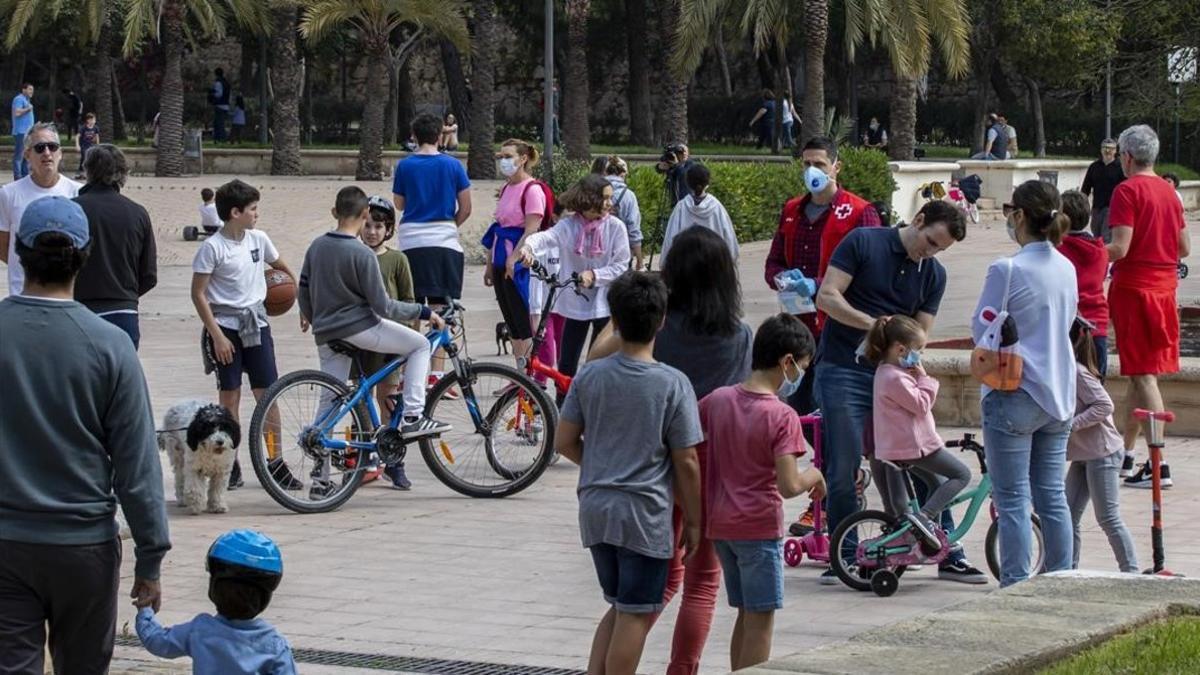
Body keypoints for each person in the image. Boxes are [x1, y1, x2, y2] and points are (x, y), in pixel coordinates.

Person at [0, 196, 171, 673]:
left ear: (18, 251)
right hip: (84, 549)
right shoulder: (110, 346)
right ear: (85, 255)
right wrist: (150, 557)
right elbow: (137, 466)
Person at [586, 227, 752, 674]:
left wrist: (626, 304)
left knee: (648, 590)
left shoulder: (660, 325)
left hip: (653, 468)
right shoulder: (738, 335)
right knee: (701, 583)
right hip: (710, 468)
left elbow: (596, 357)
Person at [815, 200, 982, 584]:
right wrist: (877, 327)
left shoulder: (932, 274)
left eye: (940, 249)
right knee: (843, 466)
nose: (931, 252)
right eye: (930, 241)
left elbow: (920, 336)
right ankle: (845, 553)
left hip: (895, 380)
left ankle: (942, 548)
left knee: (918, 455)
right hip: (844, 369)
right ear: (918, 220)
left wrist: (906, 358)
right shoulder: (863, 242)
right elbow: (827, 297)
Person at [555, 271, 703, 675]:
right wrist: (693, 520)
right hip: (645, 514)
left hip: (596, 509)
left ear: (614, 322)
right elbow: (686, 460)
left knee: (621, 605)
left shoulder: (590, 376)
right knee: (636, 614)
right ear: (662, 321)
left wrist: (602, 465)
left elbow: (564, 441)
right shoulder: (673, 384)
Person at [299, 186, 450, 498]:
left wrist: (315, 318)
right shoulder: (362, 254)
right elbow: (383, 306)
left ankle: (320, 479)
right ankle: (412, 416)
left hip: (326, 334)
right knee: (420, 345)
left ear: (333, 212)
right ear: (364, 214)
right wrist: (423, 311)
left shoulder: (316, 246)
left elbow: (303, 288)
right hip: (360, 328)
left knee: (330, 400)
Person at [703, 313, 826, 670]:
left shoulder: (718, 400)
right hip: (757, 527)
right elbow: (789, 486)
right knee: (762, 618)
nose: (799, 376)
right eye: (802, 366)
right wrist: (815, 474)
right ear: (787, 362)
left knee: (746, 613)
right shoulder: (781, 415)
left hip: (720, 525)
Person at [974, 179, 1077, 587]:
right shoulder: (1065, 266)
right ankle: (1062, 579)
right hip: (1058, 395)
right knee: (1052, 497)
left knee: (1013, 499)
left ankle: (1015, 586)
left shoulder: (1008, 268)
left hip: (1014, 392)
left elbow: (980, 327)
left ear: (1019, 216)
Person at [192, 179, 301, 491]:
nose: (257, 214)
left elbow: (282, 269)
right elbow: (198, 294)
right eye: (253, 209)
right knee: (230, 396)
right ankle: (230, 463)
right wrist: (217, 336)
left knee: (268, 394)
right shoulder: (212, 248)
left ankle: (276, 462)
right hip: (225, 325)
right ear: (235, 212)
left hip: (257, 323)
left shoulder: (258, 239)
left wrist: (298, 298)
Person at [765, 136, 881, 418]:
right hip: (798, 327)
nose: (811, 170)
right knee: (800, 407)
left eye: (819, 163)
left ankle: (839, 461)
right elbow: (773, 263)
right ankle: (825, 459)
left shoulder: (859, 212)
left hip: (839, 328)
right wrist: (783, 279)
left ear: (836, 167)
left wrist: (817, 285)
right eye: (806, 164)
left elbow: (872, 275)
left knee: (836, 409)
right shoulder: (792, 210)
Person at [1106, 124, 1189, 489]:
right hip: (1164, 290)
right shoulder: (1170, 193)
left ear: (1126, 156)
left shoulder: (1127, 190)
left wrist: (1083, 250)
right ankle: (1126, 456)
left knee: (1144, 375)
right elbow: (1183, 247)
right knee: (1139, 374)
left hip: (1134, 290)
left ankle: (1159, 464)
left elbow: (1120, 247)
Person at [863, 315, 972, 554]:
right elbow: (921, 404)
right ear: (900, 349)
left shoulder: (887, 372)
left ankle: (932, 534)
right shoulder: (894, 377)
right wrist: (925, 378)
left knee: (936, 483)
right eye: (918, 351)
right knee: (962, 475)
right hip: (913, 446)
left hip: (905, 445)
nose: (919, 357)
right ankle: (924, 518)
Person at [517, 174, 631, 397]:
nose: (610, 203)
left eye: (610, 198)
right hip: (575, 304)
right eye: (605, 198)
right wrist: (528, 248)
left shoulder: (615, 227)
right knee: (566, 365)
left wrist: (594, 275)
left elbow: (621, 265)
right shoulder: (568, 226)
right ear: (588, 199)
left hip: (606, 305)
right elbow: (545, 238)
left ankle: (597, 408)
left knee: (599, 365)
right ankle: (564, 412)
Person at [137, 530, 296, 673]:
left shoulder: (200, 630)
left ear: (214, 588)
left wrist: (145, 610)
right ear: (265, 596)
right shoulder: (274, 645)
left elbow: (157, 642)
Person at [392, 113, 472, 386]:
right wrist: (449, 225)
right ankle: (437, 376)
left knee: (413, 310)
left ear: (413, 136)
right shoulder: (453, 165)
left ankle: (408, 373)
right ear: (440, 135)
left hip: (412, 242)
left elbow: (399, 204)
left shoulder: (405, 166)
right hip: (445, 243)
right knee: (442, 311)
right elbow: (466, 207)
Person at [355, 195, 418, 490]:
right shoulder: (353, 255)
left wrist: (407, 339)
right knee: (362, 400)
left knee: (389, 399)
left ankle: (394, 459)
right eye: (367, 225)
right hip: (362, 338)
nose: (372, 231)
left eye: (378, 226)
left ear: (389, 229)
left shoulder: (397, 259)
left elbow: (408, 300)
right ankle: (367, 456)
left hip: (391, 338)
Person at [1065, 319, 1138, 574]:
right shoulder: (1065, 369)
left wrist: (1072, 425)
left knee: (1108, 517)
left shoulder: (1077, 371)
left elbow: (1105, 405)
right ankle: (1068, 570)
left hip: (1103, 453)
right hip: (1083, 454)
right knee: (1067, 515)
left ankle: (1131, 573)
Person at [73, 144, 157, 349]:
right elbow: (149, 274)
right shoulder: (137, 213)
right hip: (123, 311)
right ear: (123, 174)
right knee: (121, 378)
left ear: (88, 170)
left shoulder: (71, 210)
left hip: (78, 311)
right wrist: (126, 295)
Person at [481, 139, 545, 370]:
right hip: (500, 259)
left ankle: (530, 376)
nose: (503, 161)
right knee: (511, 323)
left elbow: (531, 229)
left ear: (523, 158)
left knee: (523, 322)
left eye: (508, 156)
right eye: (501, 156)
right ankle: (520, 375)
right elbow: (496, 227)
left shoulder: (532, 190)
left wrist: (514, 258)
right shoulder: (507, 187)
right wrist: (489, 264)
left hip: (517, 264)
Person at [0, 122, 83, 297]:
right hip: (22, 295)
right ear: (27, 155)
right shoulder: (8, 194)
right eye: (39, 148)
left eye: (52, 147)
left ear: (60, 153)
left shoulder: (78, 193)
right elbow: (3, 245)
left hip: (66, 298)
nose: (47, 153)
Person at [1057, 190, 1110, 378]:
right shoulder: (1101, 250)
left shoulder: (1058, 250)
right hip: (1097, 326)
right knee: (1096, 389)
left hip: (1068, 327)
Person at [660, 162, 738, 264]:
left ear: (688, 182)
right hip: (713, 266)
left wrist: (665, 264)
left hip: (686, 267)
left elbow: (670, 238)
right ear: (708, 183)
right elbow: (729, 239)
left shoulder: (681, 207)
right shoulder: (717, 207)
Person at [602, 155, 644, 270]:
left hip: (598, 252)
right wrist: (640, 260)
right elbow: (634, 229)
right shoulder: (629, 195)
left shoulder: (595, 190)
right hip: (621, 253)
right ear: (623, 174)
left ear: (605, 172)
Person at [1080, 139, 1125, 243]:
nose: (1107, 151)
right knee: (1096, 235)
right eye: (1105, 148)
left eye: (1110, 148)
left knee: (1106, 237)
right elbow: (1086, 188)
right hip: (1097, 207)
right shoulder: (1094, 167)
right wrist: (1083, 204)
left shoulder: (1120, 168)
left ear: (1115, 151)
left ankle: (1104, 257)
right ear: (1101, 150)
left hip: (1112, 207)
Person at [10, 82, 34, 180]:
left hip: (27, 132)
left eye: (32, 90)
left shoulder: (26, 100)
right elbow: (17, 113)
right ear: (23, 90)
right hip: (21, 132)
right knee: (19, 156)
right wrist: (28, 109)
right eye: (29, 89)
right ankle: (18, 178)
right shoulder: (18, 99)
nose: (31, 92)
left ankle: (25, 177)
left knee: (25, 155)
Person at [74, 111, 100, 179]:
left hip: (92, 146)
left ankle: (87, 173)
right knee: (85, 158)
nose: (94, 121)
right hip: (84, 146)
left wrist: (98, 146)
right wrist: (77, 145)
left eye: (95, 119)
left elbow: (97, 137)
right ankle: (81, 172)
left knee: (92, 159)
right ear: (88, 120)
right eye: (93, 120)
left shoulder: (96, 128)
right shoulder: (83, 128)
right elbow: (77, 136)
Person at [210, 68, 231, 142]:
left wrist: (212, 94)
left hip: (219, 105)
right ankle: (220, 138)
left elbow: (218, 94)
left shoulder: (218, 83)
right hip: (226, 105)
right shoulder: (226, 82)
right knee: (221, 123)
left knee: (219, 123)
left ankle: (221, 138)